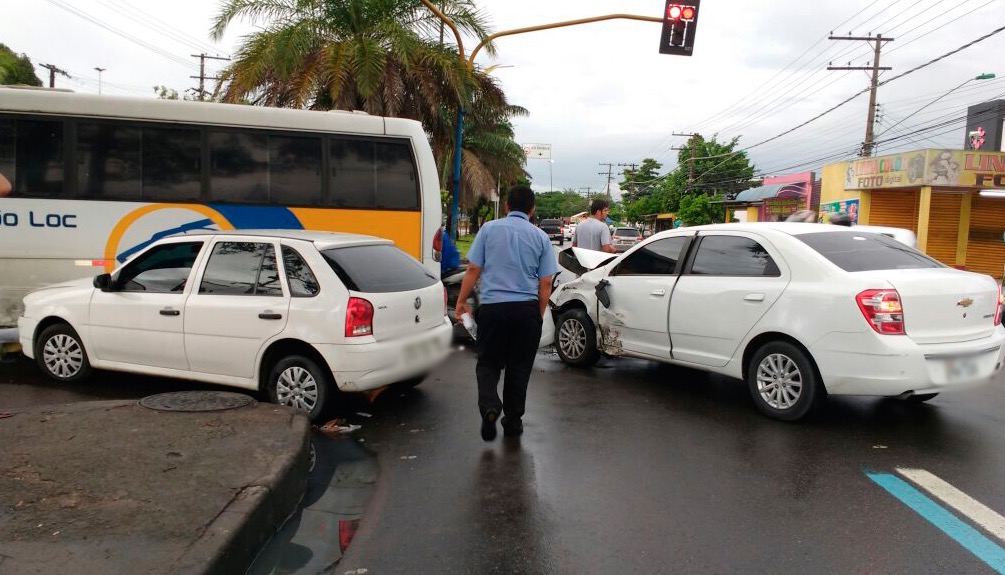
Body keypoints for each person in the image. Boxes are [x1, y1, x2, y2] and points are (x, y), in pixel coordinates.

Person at [455, 185, 558, 441]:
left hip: (492, 310)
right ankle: (512, 423)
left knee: (488, 363)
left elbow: (472, 270)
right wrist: (538, 314)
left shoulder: (489, 229)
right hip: (526, 312)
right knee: (519, 368)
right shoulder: (541, 238)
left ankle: (490, 405)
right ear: (532, 210)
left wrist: (461, 301)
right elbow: (546, 282)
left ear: (507, 206)